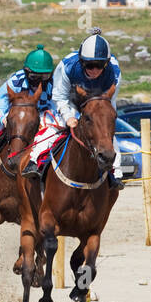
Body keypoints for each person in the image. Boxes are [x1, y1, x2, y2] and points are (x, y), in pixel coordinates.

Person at [23, 28, 123, 189]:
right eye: (90, 65)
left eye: (100, 65)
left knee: (105, 132)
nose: (95, 70)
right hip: (71, 101)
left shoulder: (114, 72)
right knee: (55, 127)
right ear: (82, 62)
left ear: (107, 63)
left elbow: (109, 102)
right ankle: (34, 161)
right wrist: (69, 116)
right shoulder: (67, 66)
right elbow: (59, 96)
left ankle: (116, 172)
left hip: (99, 103)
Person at [0, 45, 58, 168]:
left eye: (44, 76)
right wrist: (3, 118)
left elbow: (57, 107)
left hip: (43, 116)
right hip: (17, 115)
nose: (39, 81)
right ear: (27, 72)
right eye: (35, 77)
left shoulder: (54, 83)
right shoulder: (16, 81)